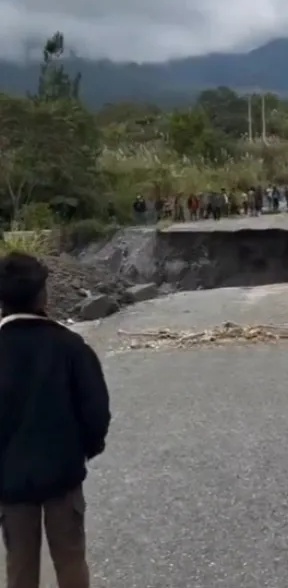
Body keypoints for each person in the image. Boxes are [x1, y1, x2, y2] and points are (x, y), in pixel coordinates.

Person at [0, 252, 111, 588]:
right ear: (43, 294)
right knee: (71, 558)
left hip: (10, 480)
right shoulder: (71, 347)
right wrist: (84, 449)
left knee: (18, 563)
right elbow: (96, 411)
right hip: (62, 473)